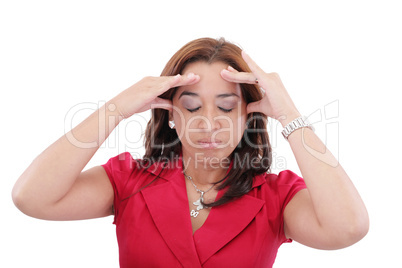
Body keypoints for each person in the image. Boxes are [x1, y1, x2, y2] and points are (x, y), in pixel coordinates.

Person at [12, 37, 369, 267]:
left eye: (228, 108)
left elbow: (349, 228)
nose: (208, 124)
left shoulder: (275, 196)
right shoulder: (130, 181)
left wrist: (289, 114)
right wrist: (118, 107)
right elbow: (32, 198)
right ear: (170, 114)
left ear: (250, 115)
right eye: (193, 107)